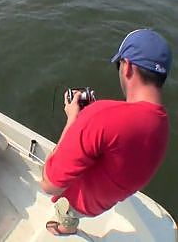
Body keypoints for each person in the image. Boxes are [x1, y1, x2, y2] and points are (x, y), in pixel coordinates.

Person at [40, 29, 172, 236]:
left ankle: (65, 228)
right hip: (104, 203)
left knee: (66, 212)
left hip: (79, 203)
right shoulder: (162, 123)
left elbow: (49, 185)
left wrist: (74, 120)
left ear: (127, 67)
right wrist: (92, 118)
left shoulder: (100, 116)